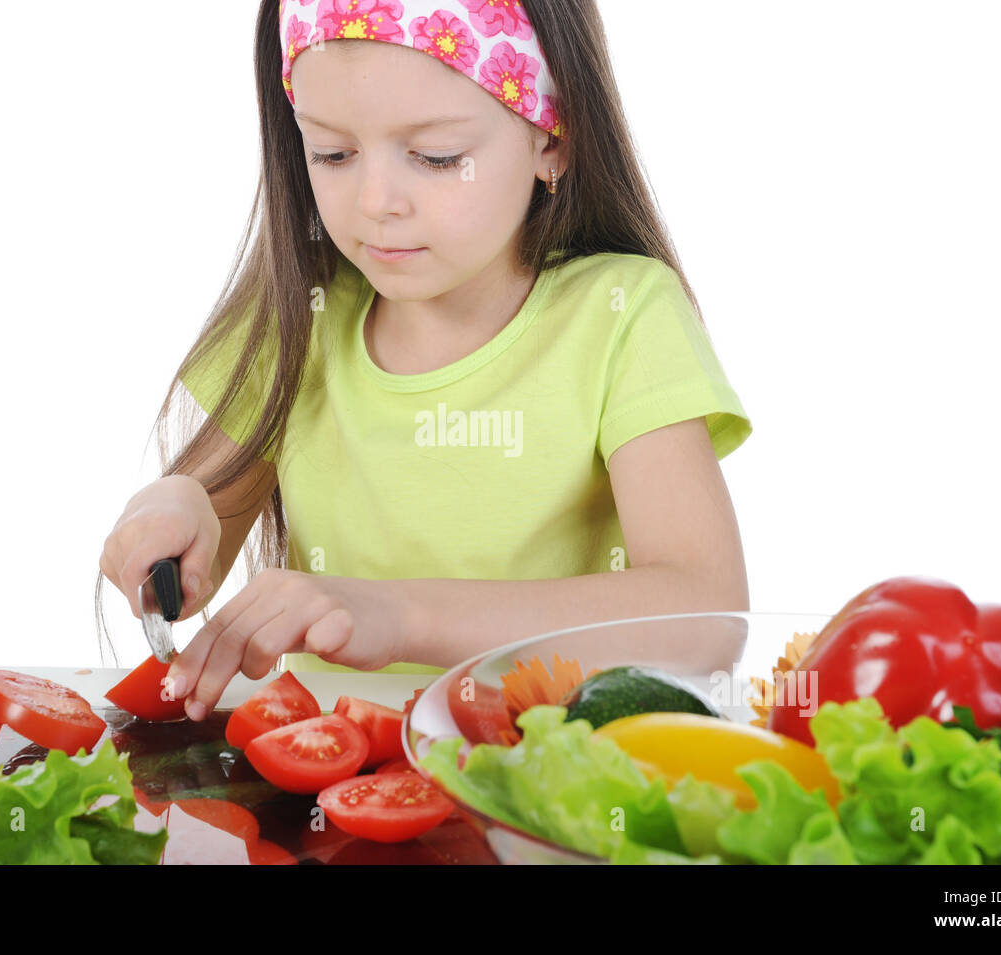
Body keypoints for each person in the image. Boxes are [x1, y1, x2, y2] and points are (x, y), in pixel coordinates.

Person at [98, 0, 753, 722]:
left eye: (437, 157)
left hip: (540, 788)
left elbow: (704, 617)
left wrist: (399, 613)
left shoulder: (624, 315)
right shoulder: (300, 311)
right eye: (332, 154)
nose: (377, 202)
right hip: (339, 792)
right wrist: (175, 507)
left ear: (552, 138)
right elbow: (204, 522)